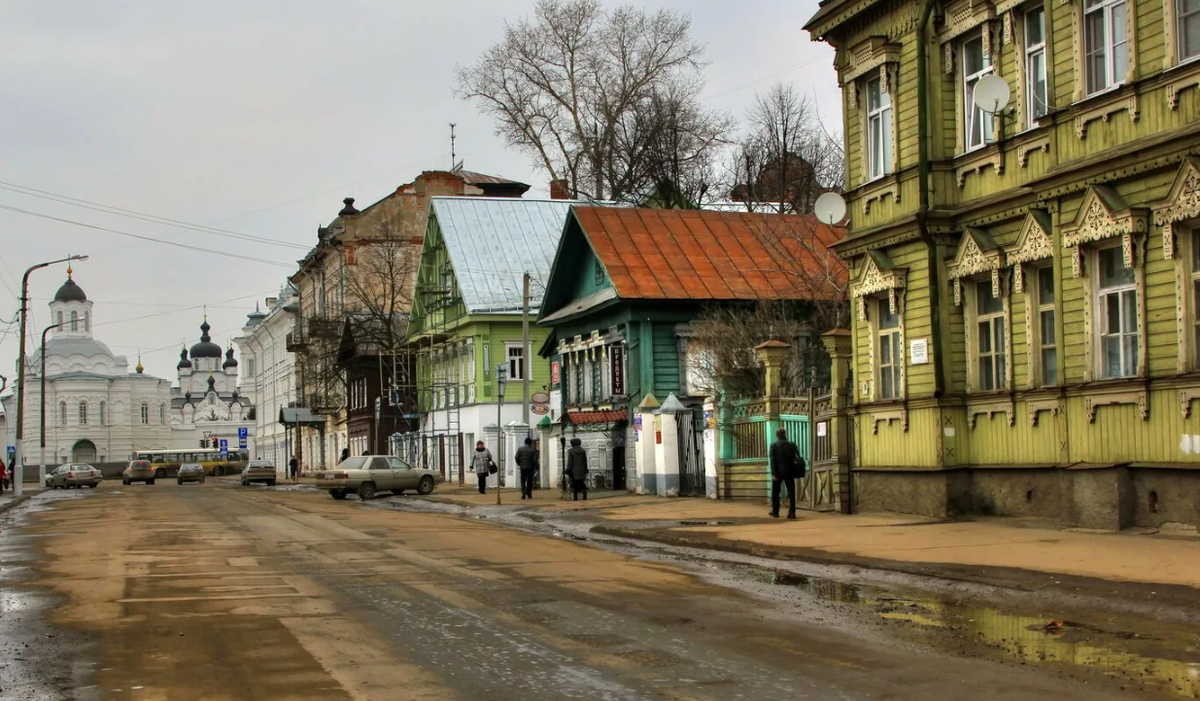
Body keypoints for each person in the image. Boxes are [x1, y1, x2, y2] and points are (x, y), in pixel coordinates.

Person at [768, 428, 805, 519]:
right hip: (790, 471)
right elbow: (798, 456)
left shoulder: (774, 445)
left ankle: (775, 511)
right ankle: (792, 513)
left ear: (777, 435)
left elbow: (772, 460)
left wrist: (773, 473)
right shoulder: (791, 444)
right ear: (785, 434)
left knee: (775, 492)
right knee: (791, 492)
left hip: (778, 472)